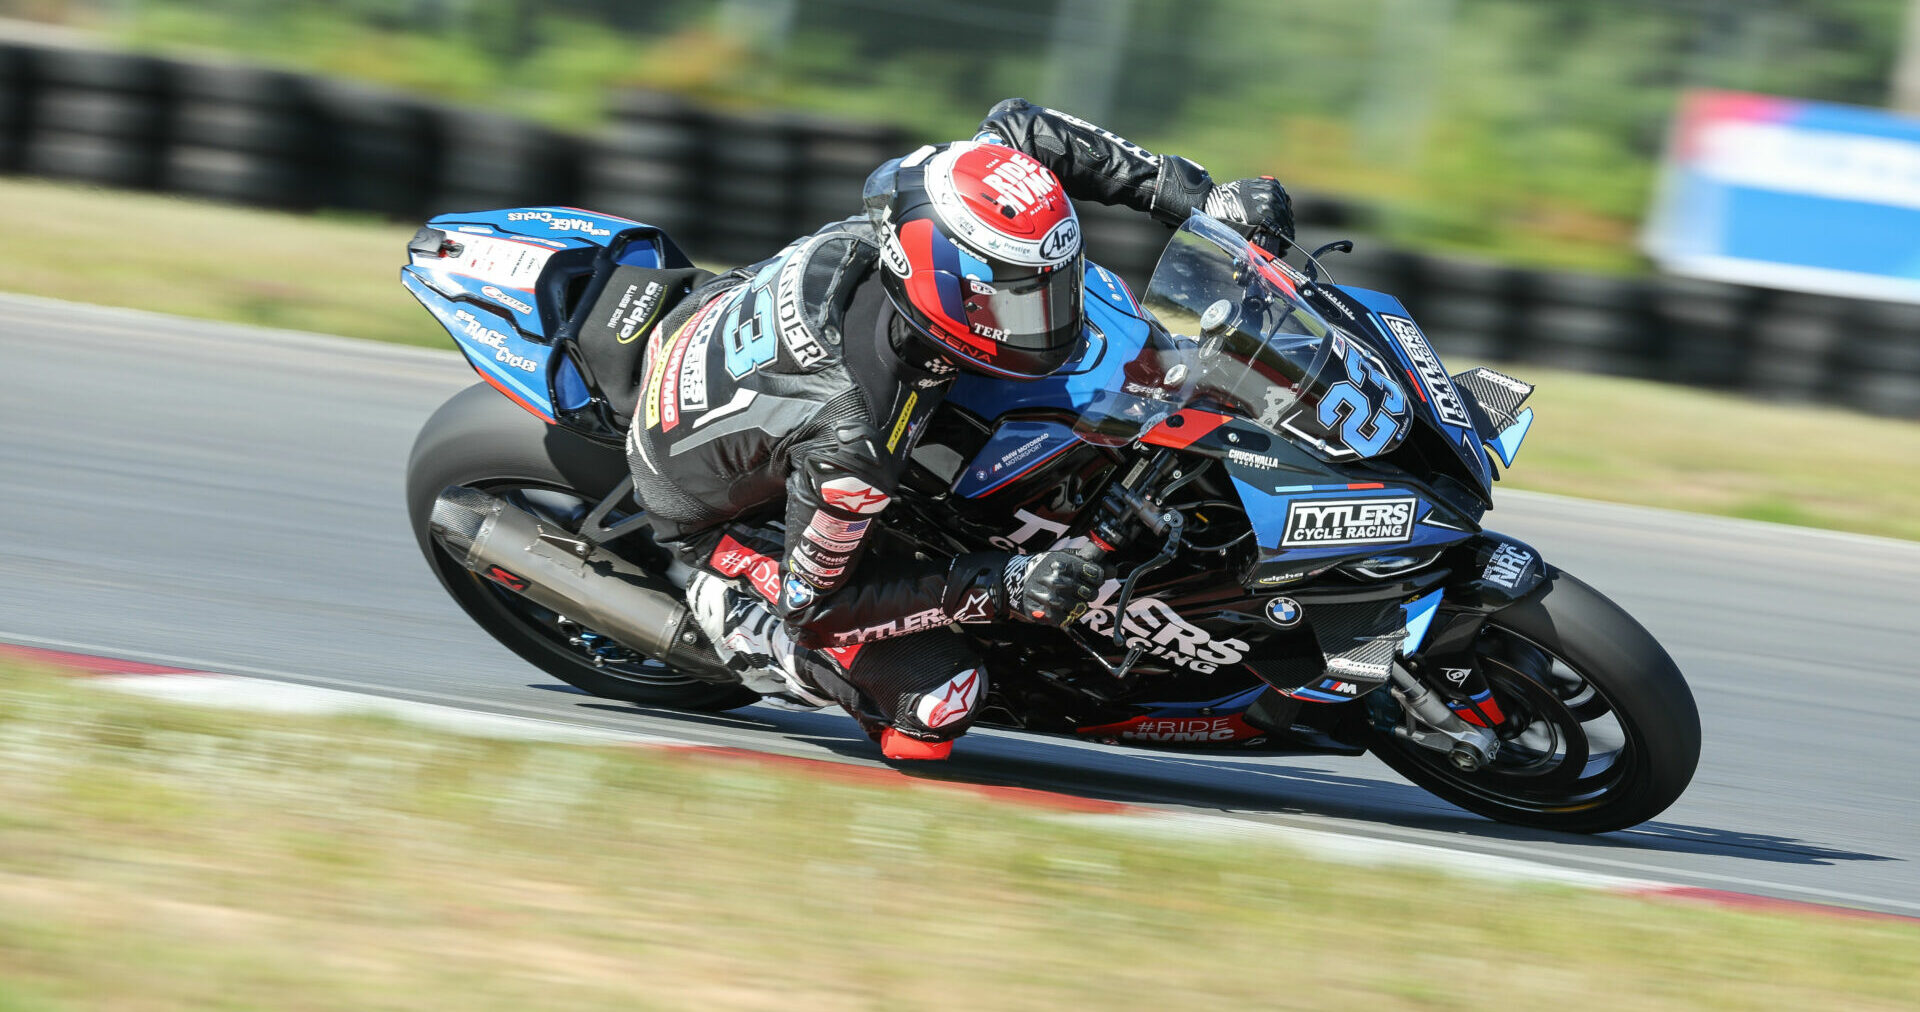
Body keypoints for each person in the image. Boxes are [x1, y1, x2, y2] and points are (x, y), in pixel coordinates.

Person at [622, 97, 1293, 759]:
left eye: (1056, 286)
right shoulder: (856, 436)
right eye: (1022, 300)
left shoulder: (938, 196)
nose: (1053, 316)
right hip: (724, 509)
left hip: (744, 362)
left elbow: (1026, 127)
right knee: (938, 702)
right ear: (941, 292)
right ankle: (740, 624)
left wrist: (1196, 198)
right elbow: (819, 602)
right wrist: (1002, 583)